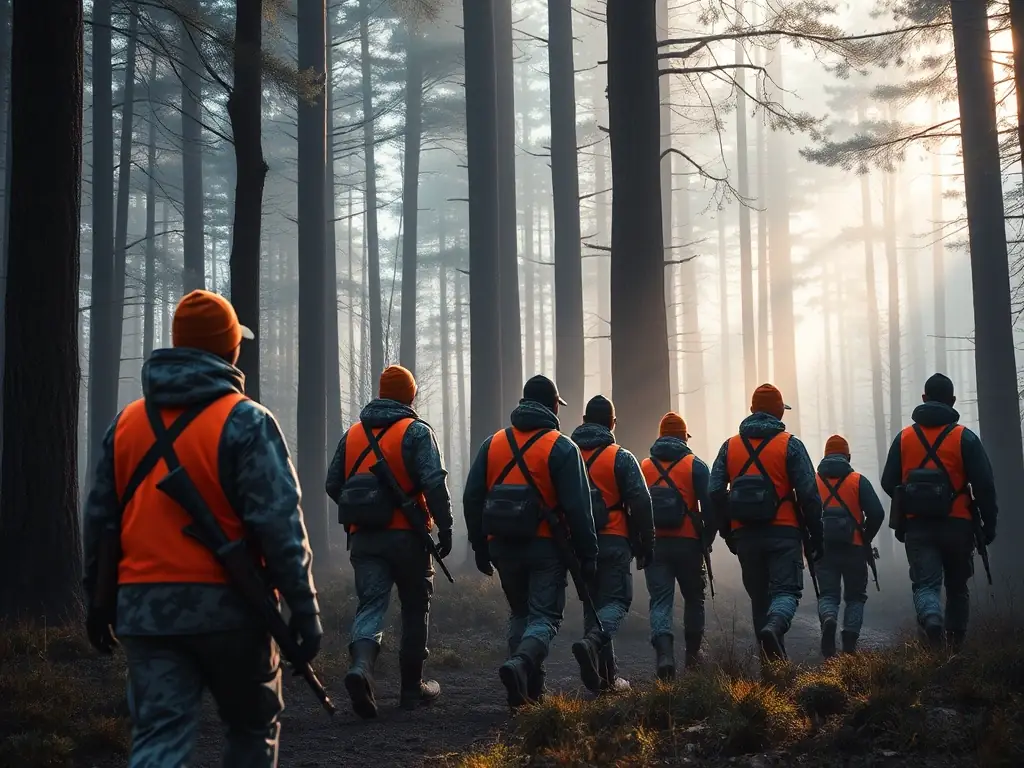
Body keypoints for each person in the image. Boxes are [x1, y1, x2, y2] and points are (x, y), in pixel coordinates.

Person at [82, 289, 321, 768]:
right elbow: (279, 523)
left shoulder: (125, 424)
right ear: (229, 349)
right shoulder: (247, 422)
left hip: (146, 613)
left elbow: (99, 521)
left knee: (158, 738)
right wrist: (304, 605)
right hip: (231, 609)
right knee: (252, 731)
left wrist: (98, 598)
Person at [326, 364, 454, 718]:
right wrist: (445, 529)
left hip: (364, 539)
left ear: (381, 392)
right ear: (410, 395)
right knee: (415, 608)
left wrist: (362, 512)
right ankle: (412, 690)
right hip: (408, 539)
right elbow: (434, 484)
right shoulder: (416, 432)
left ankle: (360, 668)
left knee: (370, 606)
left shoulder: (352, 434)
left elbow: (332, 483)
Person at [464, 375, 598, 707]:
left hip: (501, 545)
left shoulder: (492, 443)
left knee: (520, 613)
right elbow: (579, 509)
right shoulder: (562, 447)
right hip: (545, 546)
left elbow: (471, 498)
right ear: (553, 405)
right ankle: (521, 665)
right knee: (545, 617)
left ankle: (528, 692)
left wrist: (480, 546)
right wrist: (588, 554)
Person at [880, 373, 997, 651]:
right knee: (957, 587)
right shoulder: (964, 438)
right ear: (953, 401)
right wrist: (988, 526)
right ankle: (954, 649)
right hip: (958, 525)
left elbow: (887, 482)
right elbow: (985, 486)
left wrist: (909, 501)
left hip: (918, 526)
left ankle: (932, 621)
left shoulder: (904, 438)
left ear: (924, 398)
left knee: (925, 585)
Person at [710, 383, 824, 661]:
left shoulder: (730, 446)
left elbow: (714, 492)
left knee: (760, 599)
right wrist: (816, 534)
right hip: (784, 532)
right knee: (786, 592)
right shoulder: (791, 445)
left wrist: (728, 532)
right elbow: (809, 494)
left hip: (745, 535)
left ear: (751, 410)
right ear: (778, 413)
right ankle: (775, 628)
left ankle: (772, 671)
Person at [569, 395, 654, 694]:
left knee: (592, 607)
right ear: (612, 423)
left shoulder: (567, 453)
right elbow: (641, 501)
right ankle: (592, 646)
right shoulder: (621, 457)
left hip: (579, 543)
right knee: (616, 602)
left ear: (583, 420)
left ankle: (605, 679)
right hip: (615, 540)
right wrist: (647, 542)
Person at [640, 413, 714, 678]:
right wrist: (708, 538)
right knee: (694, 599)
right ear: (684, 437)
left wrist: (641, 541)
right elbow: (711, 506)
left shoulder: (644, 466)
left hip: (656, 545)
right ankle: (693, 659)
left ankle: (664, 656)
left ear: (660, 436)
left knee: (660, 601)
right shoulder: (696, 466)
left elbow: (635, 507)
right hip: (689, 544)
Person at [815, 434, 885, 656]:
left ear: (825, 456)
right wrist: (866, 536)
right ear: (848, 456)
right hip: (854, 547)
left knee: (828, 595)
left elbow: (803, 513)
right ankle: (849, 644)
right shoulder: (858, 481)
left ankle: (828, 619)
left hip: (824, 548)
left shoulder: (813, 482)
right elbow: (877, 513)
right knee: (855, 597)